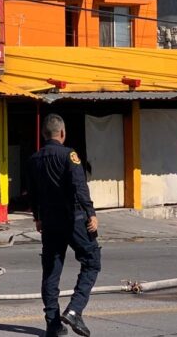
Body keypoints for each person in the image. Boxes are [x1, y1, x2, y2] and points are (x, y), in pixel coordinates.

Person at [28, 114, 101, 337]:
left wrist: (38, 217)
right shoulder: (69, 154)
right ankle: (74, 310)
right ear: (62, 133)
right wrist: (91, 213)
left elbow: (33, 193)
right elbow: (79, 186)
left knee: (51, 272)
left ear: (43, 134)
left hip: (50, 222)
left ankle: (52, 324)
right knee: (92, 261)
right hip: (74, 220)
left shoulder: (34, 159)